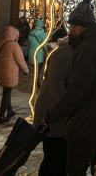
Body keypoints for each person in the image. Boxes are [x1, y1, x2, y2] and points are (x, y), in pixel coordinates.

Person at [44, 0, 96, 176]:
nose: (70, 30)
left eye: (73, 26)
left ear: (84, 26)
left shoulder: (89, 47)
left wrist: (51, 116)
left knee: (75, 171)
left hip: (88, 126)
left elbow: (78, 90)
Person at [34, 27, 77, 175]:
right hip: (52, 114)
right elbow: (56, 82)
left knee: (59, 158)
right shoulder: (65, 53)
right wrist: (68, 107)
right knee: (54, 158)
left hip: (57, 115)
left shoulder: (70, 52)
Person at [0, 25, 29, 123]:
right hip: (9, 72)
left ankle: (10, 110)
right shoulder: (14, 45)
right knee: (7, 92)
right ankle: (2, 115)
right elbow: (20, 60)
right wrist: (26, 70)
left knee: (6, 91)